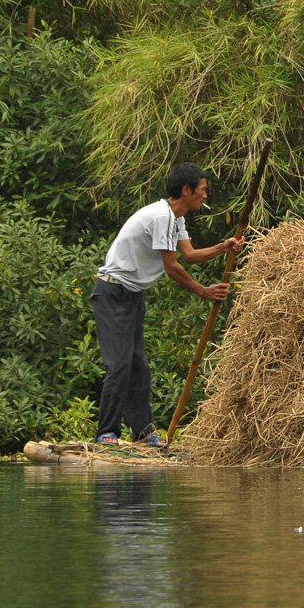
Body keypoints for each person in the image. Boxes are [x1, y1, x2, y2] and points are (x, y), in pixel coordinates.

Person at [91, 162, 240, 446]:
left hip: (132, 295)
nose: (205, 196)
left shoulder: (176, 218)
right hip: (112, 294)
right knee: (120, 365)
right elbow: (172, 268)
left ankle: (144, 433)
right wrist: (203, 291)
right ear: (186, 190)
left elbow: (191, 256)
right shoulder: (161, 216)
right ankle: (106, 433)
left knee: (139, 366)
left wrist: (224, 246)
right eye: (203, 190)